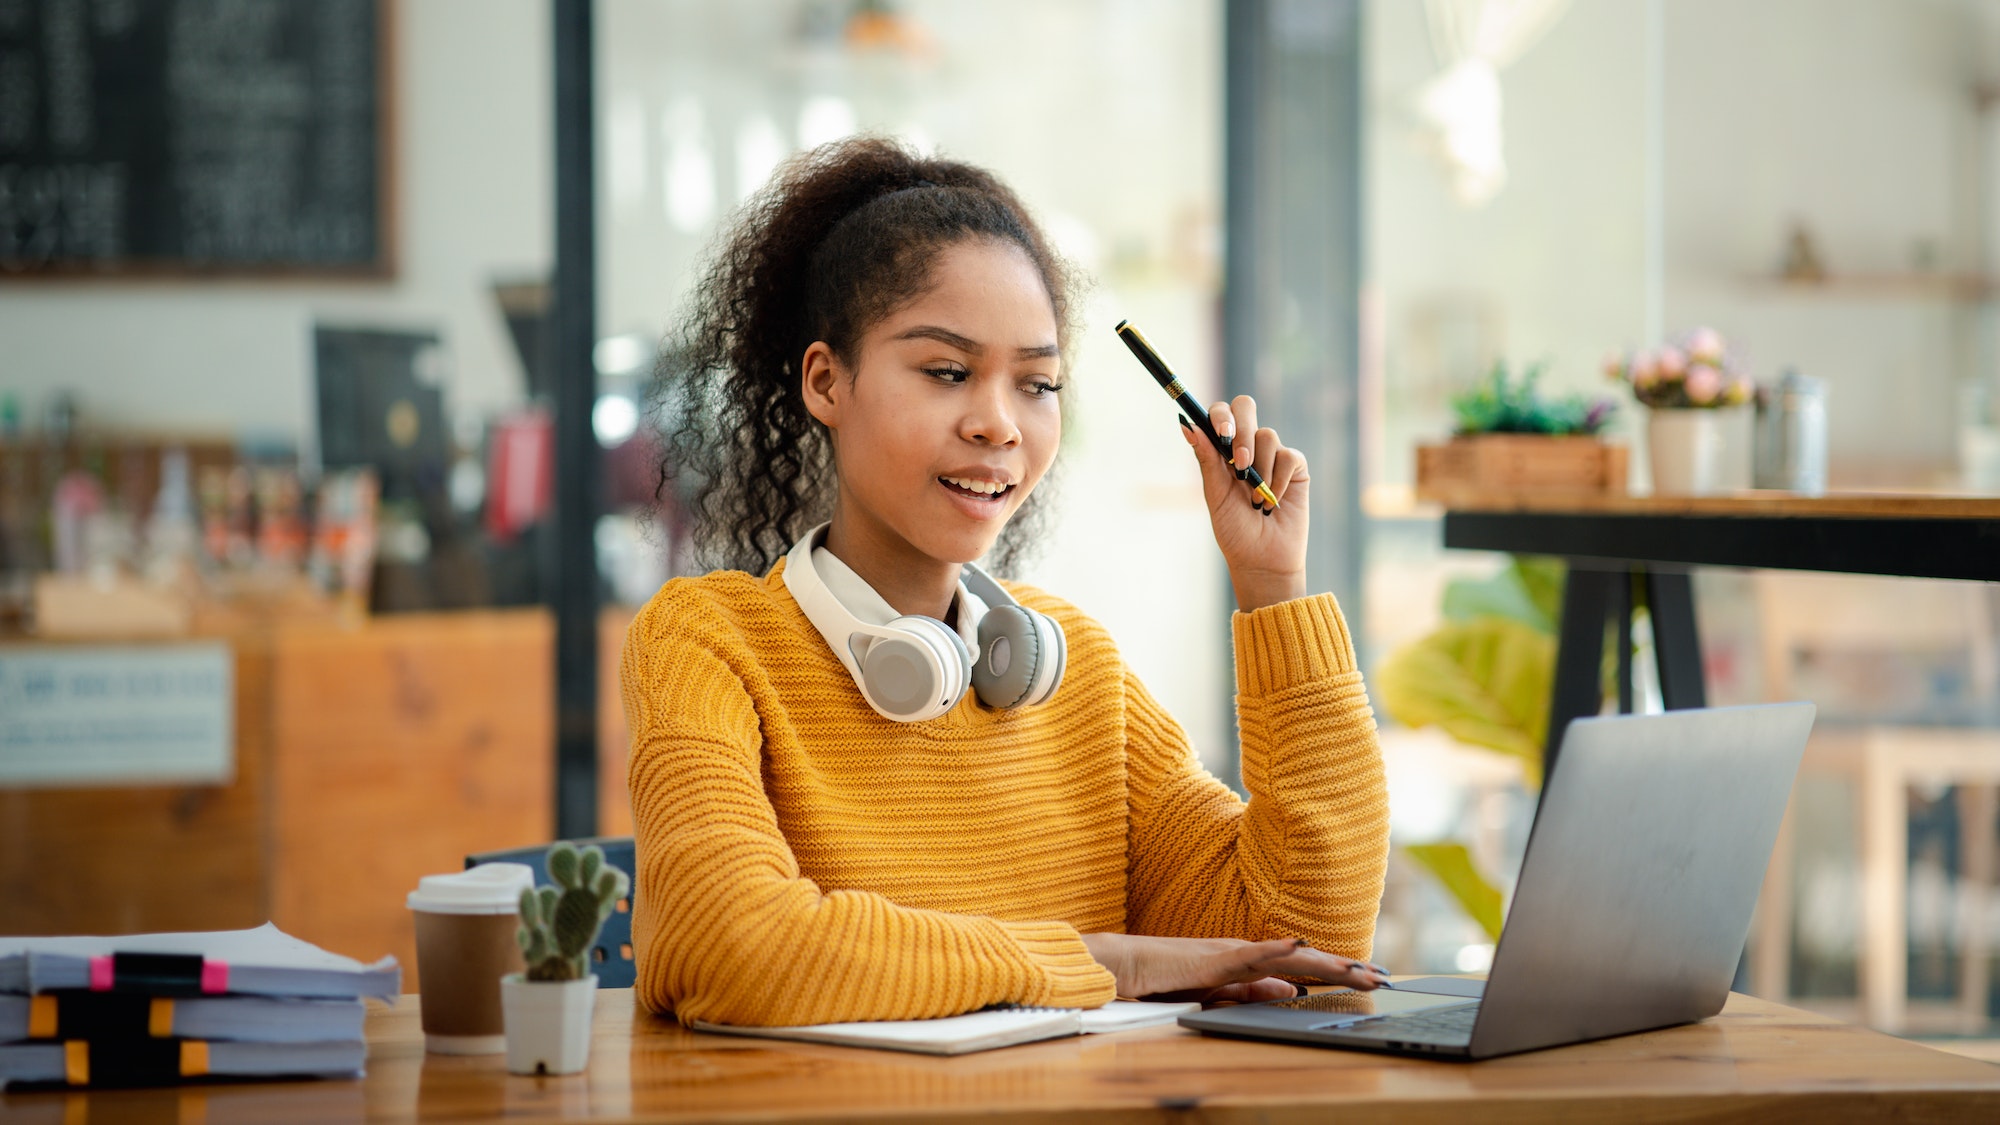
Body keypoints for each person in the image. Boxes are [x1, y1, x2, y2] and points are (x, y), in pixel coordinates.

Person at [625, 137, 1389, 1027]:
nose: (998, 424)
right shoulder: (706, 641)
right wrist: (1108, 960)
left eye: (1037, 383)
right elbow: (730, 946)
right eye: (947, 372)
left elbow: (1306, 946)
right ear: (827, 381)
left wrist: (1273, 585)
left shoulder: (1081, 677)